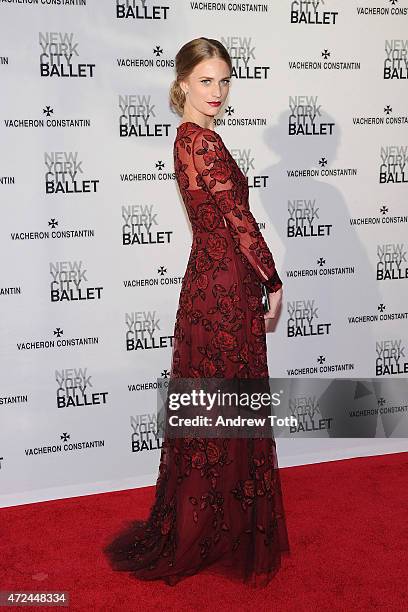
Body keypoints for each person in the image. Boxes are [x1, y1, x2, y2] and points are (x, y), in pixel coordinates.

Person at [103, 37, 290, 589]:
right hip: (224, 288)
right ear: (182, 82)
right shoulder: (201, 144)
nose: (217, 92)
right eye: (206, 81)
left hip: (210, 286)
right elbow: (237, 220)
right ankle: (214, 526)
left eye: (225, 81)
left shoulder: (195, 138)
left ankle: (214, 523)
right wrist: (273, 278)